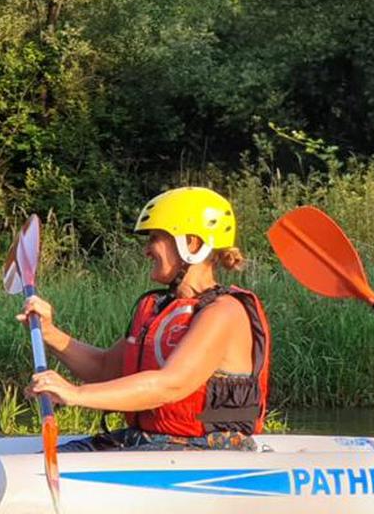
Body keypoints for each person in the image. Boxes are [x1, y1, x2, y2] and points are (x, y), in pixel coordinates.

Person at [22, 186, 271, 451]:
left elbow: (170, 385)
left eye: (155, 238)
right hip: (149, 442)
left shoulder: (224, 312)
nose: (147, 250)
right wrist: (48, 332)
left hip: (208, 451)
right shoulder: (160, 309)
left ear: (192, 243)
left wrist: (75, 394)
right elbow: (105, 369)